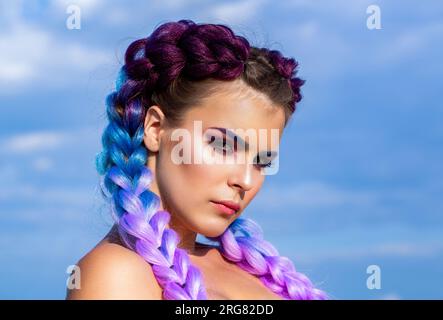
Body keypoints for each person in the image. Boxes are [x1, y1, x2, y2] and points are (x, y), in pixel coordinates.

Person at [66, 19, 328, 300]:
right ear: (155, 129)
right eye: (222, 146)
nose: (245, 180)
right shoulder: (116, 274)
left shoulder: (252, 272)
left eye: (261, 162)